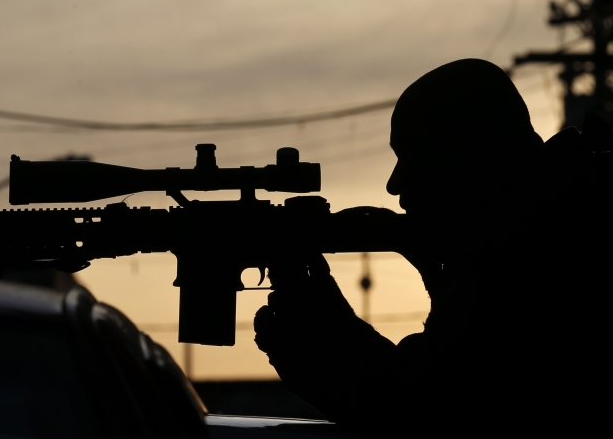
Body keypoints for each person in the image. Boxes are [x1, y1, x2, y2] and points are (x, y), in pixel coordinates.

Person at [254, 58, 611, 437]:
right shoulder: (548, 211)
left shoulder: (540, 235)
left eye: (412, 156)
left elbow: (428, 412)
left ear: (467, 157)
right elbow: (438, 376)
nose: (394, 185)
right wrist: (339, 329)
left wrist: (316, 356)